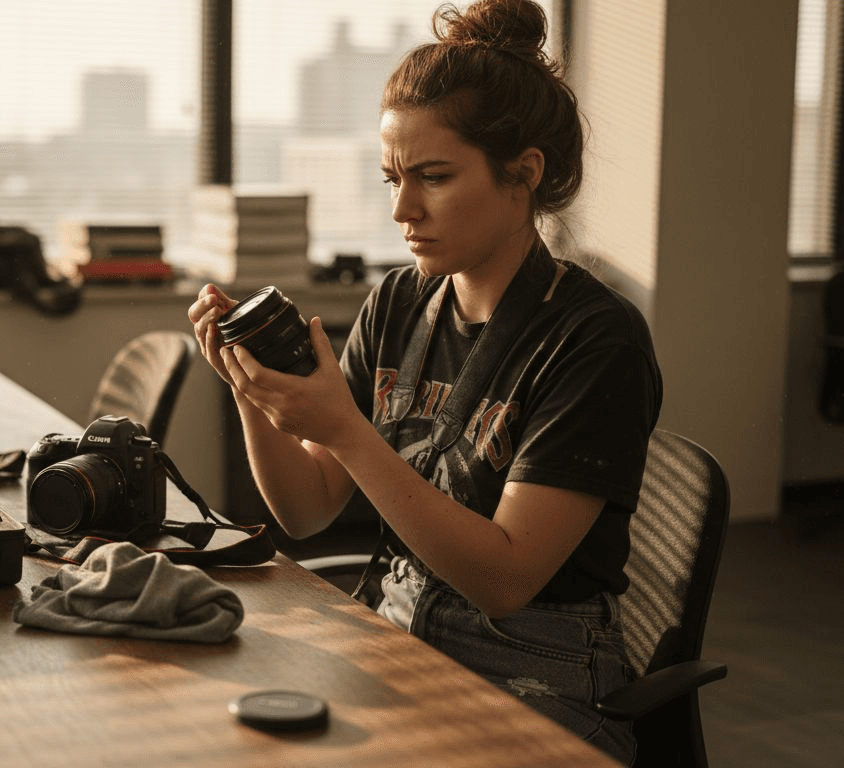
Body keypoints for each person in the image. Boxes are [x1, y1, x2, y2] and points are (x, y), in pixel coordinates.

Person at [187, 0, 660, 763]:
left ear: (524, 174)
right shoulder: (401, 303)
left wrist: (343, 428)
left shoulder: (594, 339)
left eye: (433, 177)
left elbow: (505, 579)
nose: (403, 210)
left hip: (542, 672)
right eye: (392, 180)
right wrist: (252, 388)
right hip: (401, 629)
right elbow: (307, 510)